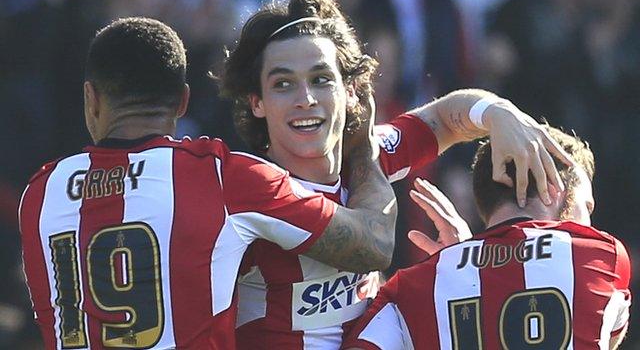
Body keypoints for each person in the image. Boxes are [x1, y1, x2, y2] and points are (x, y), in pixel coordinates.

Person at [18, 17, 400, 350]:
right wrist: (365, 151)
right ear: (183, 102)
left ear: (91, 99)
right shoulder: (221, 177)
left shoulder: (39, 194)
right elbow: (374, 244)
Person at [219, 0, 574, 348]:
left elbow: (441, 119)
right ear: (257, 103)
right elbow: (374, 245)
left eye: (322, 79)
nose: (305, 99)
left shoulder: (362, 159)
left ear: (352, 91)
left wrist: (497, 112)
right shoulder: (248, 192)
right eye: (283, 84)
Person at [343, 126, 632, 350]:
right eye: (586, 206)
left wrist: (459, 261)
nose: (589, 222)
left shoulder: (413, 286)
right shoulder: (602, 255)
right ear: (553, 188)